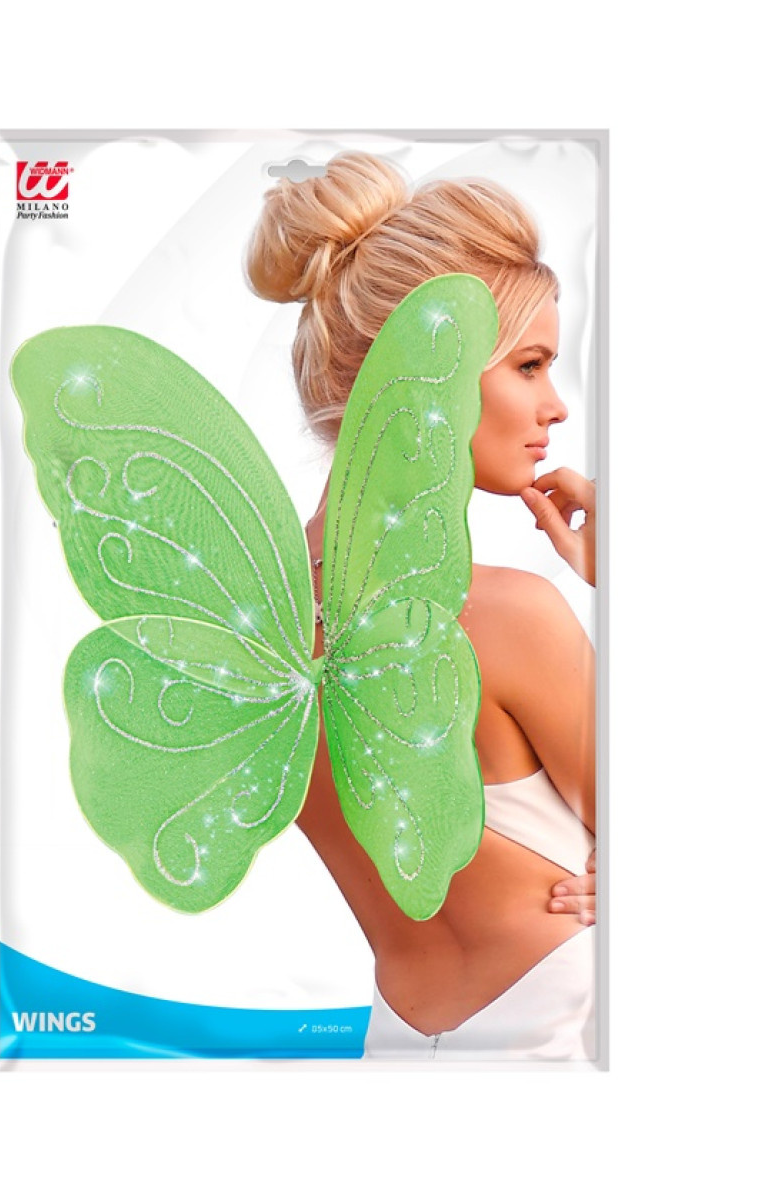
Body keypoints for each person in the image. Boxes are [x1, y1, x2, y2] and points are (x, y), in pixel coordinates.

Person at [246, 152, 599, 1059]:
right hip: (571, 1025)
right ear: (424, 370)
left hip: (397, 1041)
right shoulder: (510, 619)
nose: (555, 407)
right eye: (529, 365)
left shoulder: (251, 631)